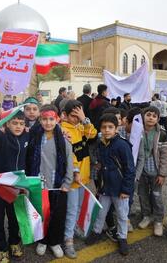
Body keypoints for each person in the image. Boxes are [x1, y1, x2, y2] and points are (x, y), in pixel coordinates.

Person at [26, 104, 73, 259]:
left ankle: (55, 241)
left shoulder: (64, 140)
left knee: (57, 215)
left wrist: (67, 183)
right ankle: (42, 240)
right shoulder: (34, 138)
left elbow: (69, 162)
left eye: (51, 119)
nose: (48, 122)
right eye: (44, 119)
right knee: (41, 214)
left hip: (57, 186)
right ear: (40, 120)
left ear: (57, 119)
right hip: (39, 185)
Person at [85, 113, 135, 256]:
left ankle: (122, 237)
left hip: (120, 189)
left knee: (121, 214)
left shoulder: (122, 145)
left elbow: (129, 169)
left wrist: (126, 189)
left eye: (110, 127)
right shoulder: (101, 144)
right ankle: (96, 231)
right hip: (105, 188)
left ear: (116, 128)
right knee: (100, 212)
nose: (107, 130)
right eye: (104, 127)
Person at [0, 110, 28, 263]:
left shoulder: (27, 136)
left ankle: (14, 242)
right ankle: (1, 248)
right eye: (14, 123)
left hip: (16, 185)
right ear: (7, 124)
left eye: (21, 124)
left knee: (14, 217)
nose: (18, 127)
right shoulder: (1, 136)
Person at [61, 100, 97, 259]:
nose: (76, 119)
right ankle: (67, 240)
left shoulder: (82, 127)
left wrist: (84, 119)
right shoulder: (63, 130)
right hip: (73, 178)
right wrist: (75, 171)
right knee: (71, 209)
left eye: (79, 115)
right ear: (66, 116)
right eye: (74, 116)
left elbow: (93, 134)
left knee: (78, 206)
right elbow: (70, 155)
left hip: (84, 176)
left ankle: (74, 228)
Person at [135, 106, 167, 236]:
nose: (151, 118)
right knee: (142, 194)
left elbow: (165, 156)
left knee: (156, 196)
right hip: (141, 171)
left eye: (154, 116)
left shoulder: (162, 133)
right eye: (148, 115)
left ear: (158, 119)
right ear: (143, 117)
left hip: (156, 172)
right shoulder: (137, 130)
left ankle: (158, 220)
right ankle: (146, 216)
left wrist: (162, 174)